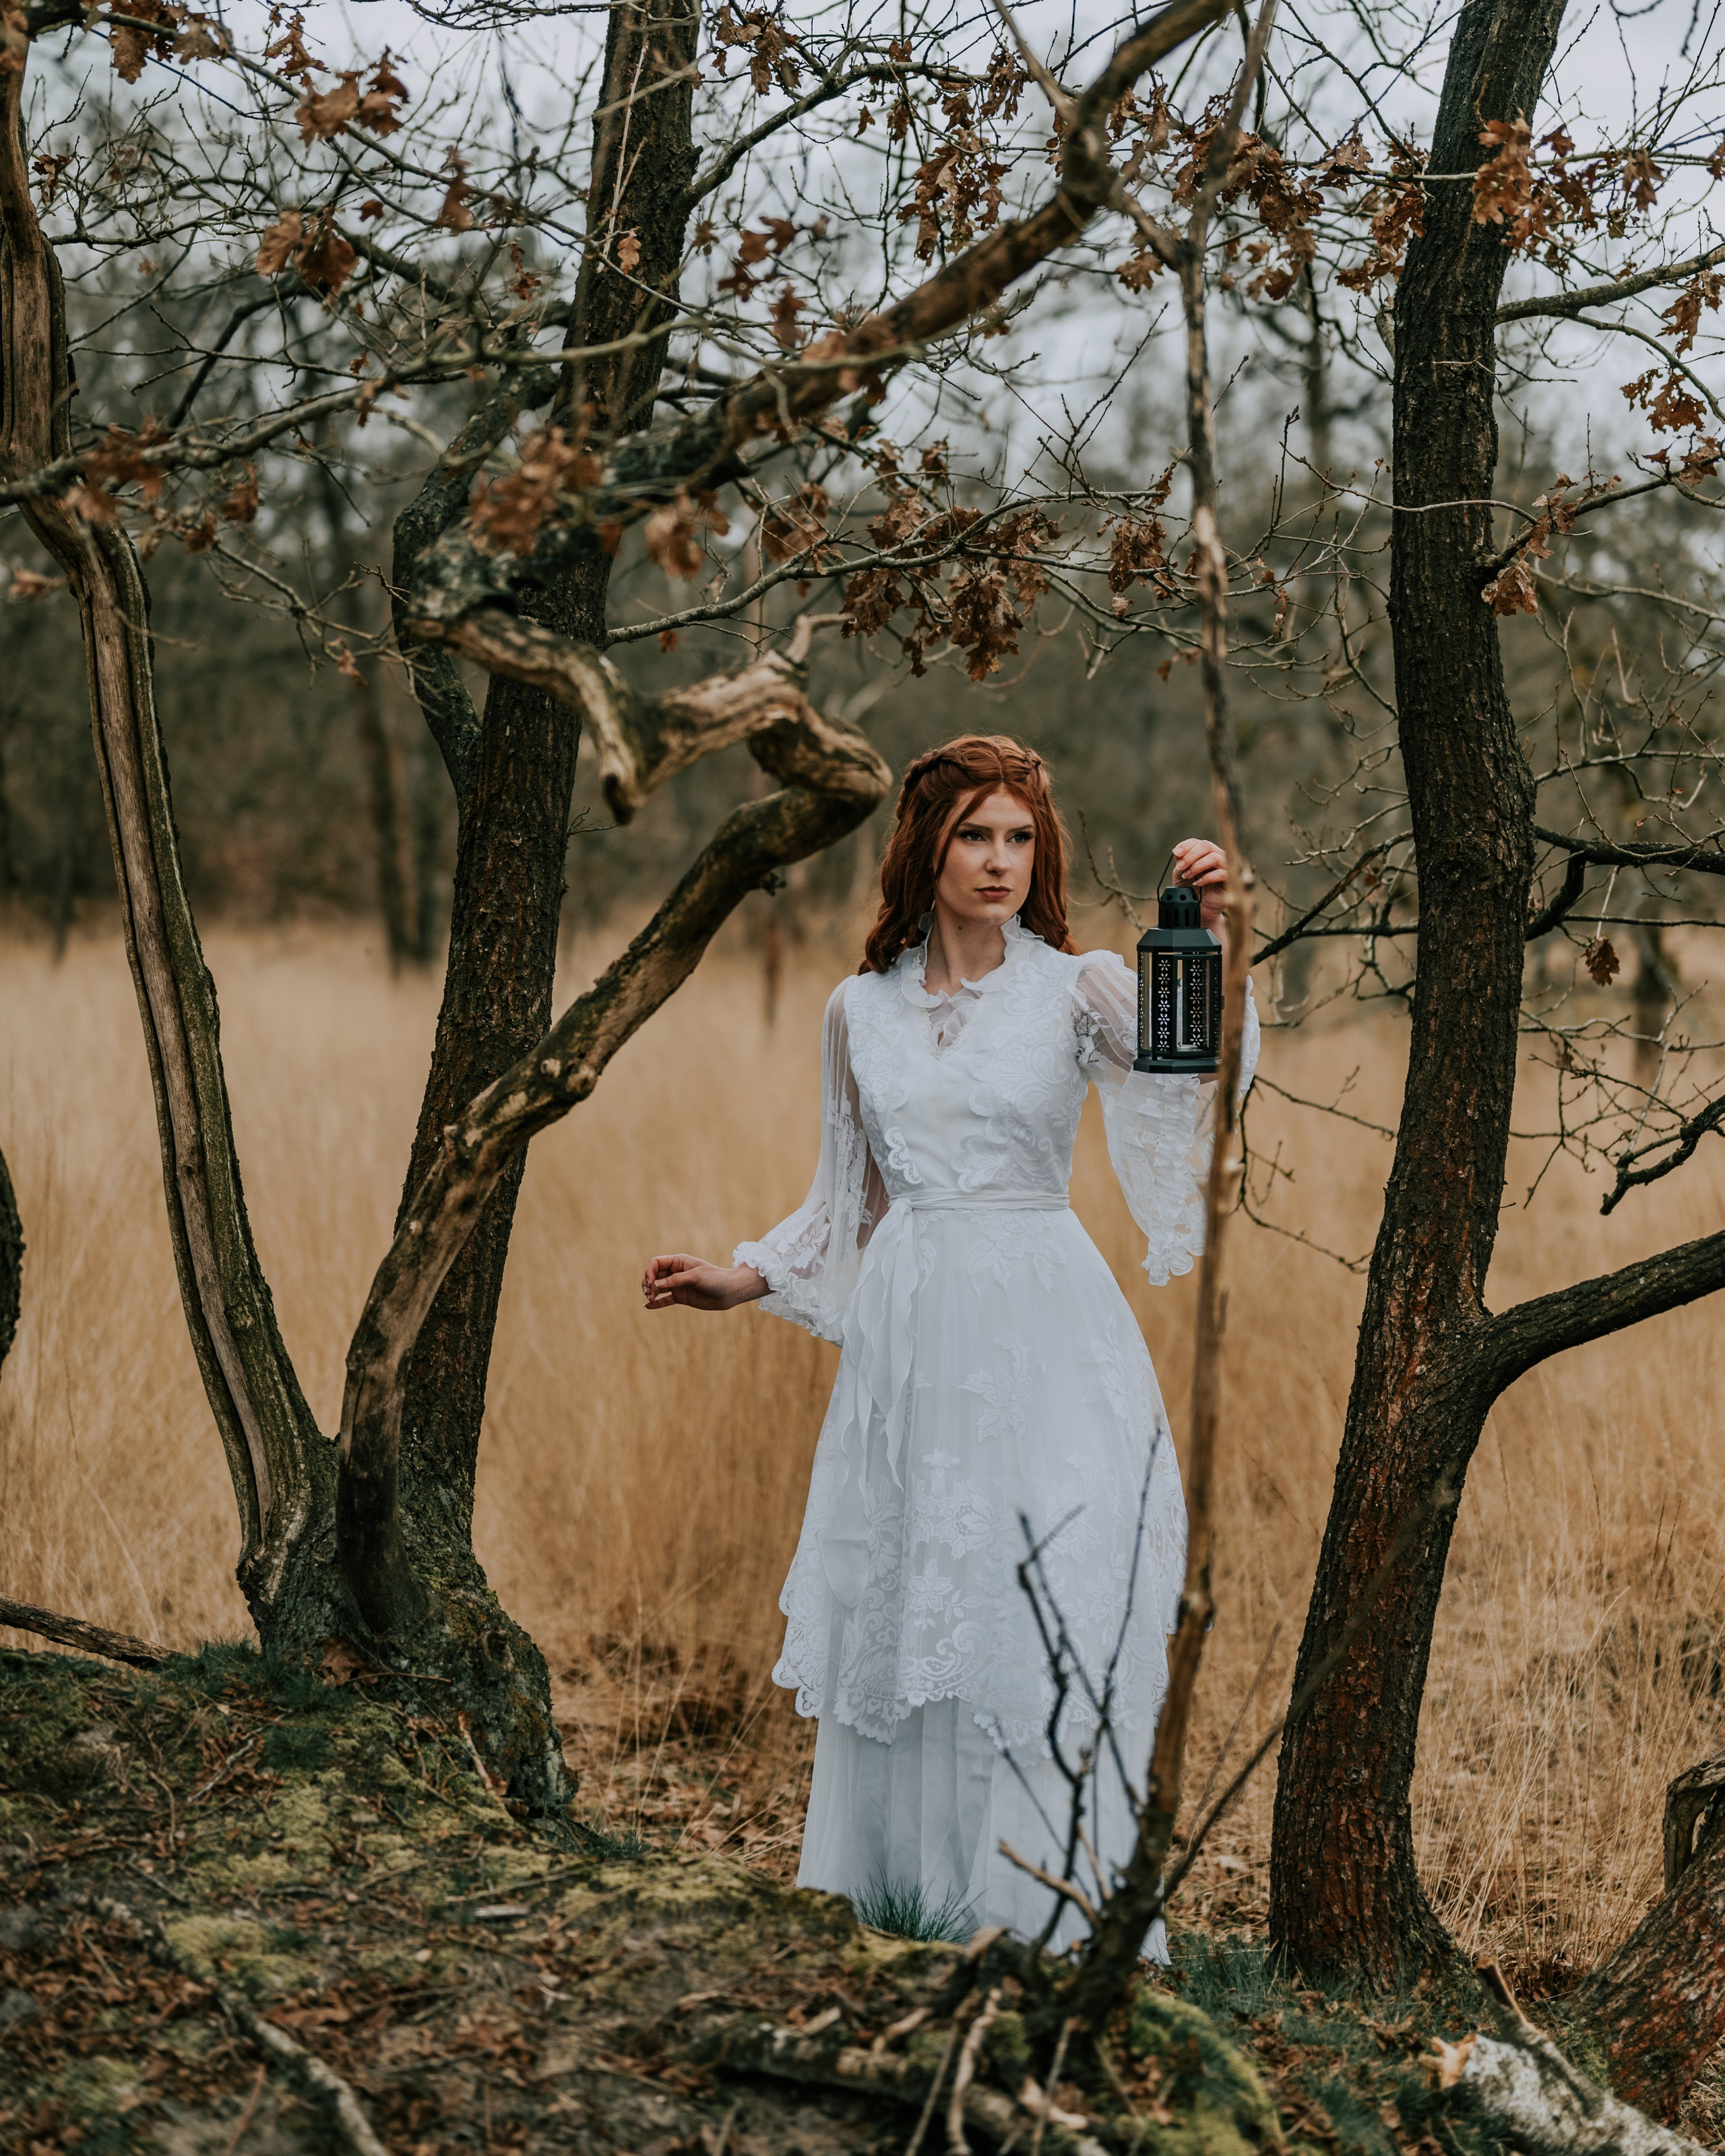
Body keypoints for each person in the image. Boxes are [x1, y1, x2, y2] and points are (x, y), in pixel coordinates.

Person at [641, 734, 1258, 1952]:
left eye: (1021, 838)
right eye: (976, 834)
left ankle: (1048, 1919)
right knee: (909, 1595)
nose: (1000, 860)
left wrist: (1224, 939)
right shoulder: (856, 1010)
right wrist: (741, 1277)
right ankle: (905, 1902)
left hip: (1044, 1331)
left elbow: (1202, 1073)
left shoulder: (1076, 989)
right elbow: (848, 1201)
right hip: (911, 1348)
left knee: (1040, 1600)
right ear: (927, 847)